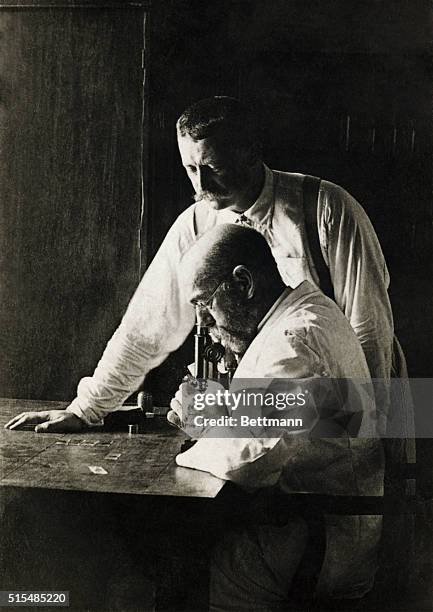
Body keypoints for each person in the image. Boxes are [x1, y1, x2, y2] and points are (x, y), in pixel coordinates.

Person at [5, 95, 395, 433]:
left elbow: (370, 334)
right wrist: (86, 409)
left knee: (343, 511)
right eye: (191, 169)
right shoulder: (197, 223)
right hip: (266, 416)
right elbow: (145, 328)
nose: (201, 186)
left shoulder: (325, 209)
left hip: (342, 409)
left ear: (251, 152)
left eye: (214, 168)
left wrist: (369, 426)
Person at [167, 223, 384, 610]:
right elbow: (300, 416)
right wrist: (221, 410)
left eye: (204, 304)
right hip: (329, 523)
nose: (202, 323)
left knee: (185, 575)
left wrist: (202, 423)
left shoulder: (293, 339)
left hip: (315, 539)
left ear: (244, 283)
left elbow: (255, 460)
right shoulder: (308, 310)